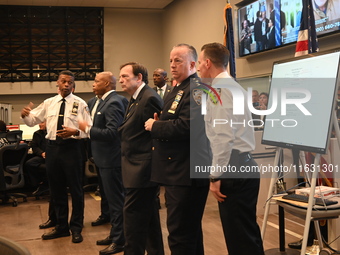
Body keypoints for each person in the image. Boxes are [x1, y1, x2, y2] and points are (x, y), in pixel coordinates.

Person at [197, 42, 264, 255]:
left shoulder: (220, 90)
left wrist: (215, 176)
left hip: (232, 167)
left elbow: (223, 138)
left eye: (199, 63)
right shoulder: (233, 86)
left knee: (240, 239)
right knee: (246, 234)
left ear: (207, 63)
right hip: (242, 164)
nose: (198, 68)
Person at [145, 43, 211, 255]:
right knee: (188, 232)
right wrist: (162, 120)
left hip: (186, 173)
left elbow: (190, 126)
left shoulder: (197, 89)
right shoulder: (179, 88)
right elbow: (176, 119)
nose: (172, 65)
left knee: (180, 235)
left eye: (178, 60)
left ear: (193, 64)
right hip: (177, 171)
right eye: (171, 60)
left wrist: (156, 126)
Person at [20, 70, 92, 244]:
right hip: (52, 149)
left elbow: (89, 129)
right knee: (56, 189)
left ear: (73, 85)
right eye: (64, 81)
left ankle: (76, 227)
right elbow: (32, 120)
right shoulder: (49, 103)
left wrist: (75, 132)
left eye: (70, 82)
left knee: (76, 190)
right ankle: (61, 227)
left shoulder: (80, 103)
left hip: (72, 148)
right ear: (57, 84)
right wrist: (25, 115)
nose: (67, 84)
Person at [118, 62, 164, 255]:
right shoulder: (136, 97)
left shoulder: (149, 98)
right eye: (120, 77)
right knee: (150, 219)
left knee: (133, 220)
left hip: (143, 170)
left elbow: (158, 133)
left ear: (139, 78)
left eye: (125, 76)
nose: (120, 80)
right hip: (136, 167)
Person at [79, 71, 127, 255]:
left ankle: (119, 240)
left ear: (107, 84)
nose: (93, 83)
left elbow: (112, 132)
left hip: (111, 159)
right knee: (107, 199)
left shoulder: (114, 102)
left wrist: (88, 129)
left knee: (116, 201)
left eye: (97, 81)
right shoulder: (94, 101)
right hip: (99, 158)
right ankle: (114, 233)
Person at [24, 122, 48, 195]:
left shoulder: (53, 133)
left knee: (50, 166)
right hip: (42, 156)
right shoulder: (37, 134)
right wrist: (42, 153)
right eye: (39, 123)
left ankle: (46, 182)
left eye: (42, 123)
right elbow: (34, 147)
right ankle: (39, 183)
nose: (40, 124)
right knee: (29, 163)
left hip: (53, 156)